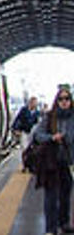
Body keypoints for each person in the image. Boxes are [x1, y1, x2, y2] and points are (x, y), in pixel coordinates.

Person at [34, 89, 74, 235]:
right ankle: (50, 229)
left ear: (71, 100)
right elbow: (37, 135)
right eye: (61, 99)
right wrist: (52, 137)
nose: (64, 101)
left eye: (67, 98)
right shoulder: (50, 117)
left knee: (65, 194)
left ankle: (64, 223)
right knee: (51, 197)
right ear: (57, 101)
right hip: (51, 162)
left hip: (69, 162)